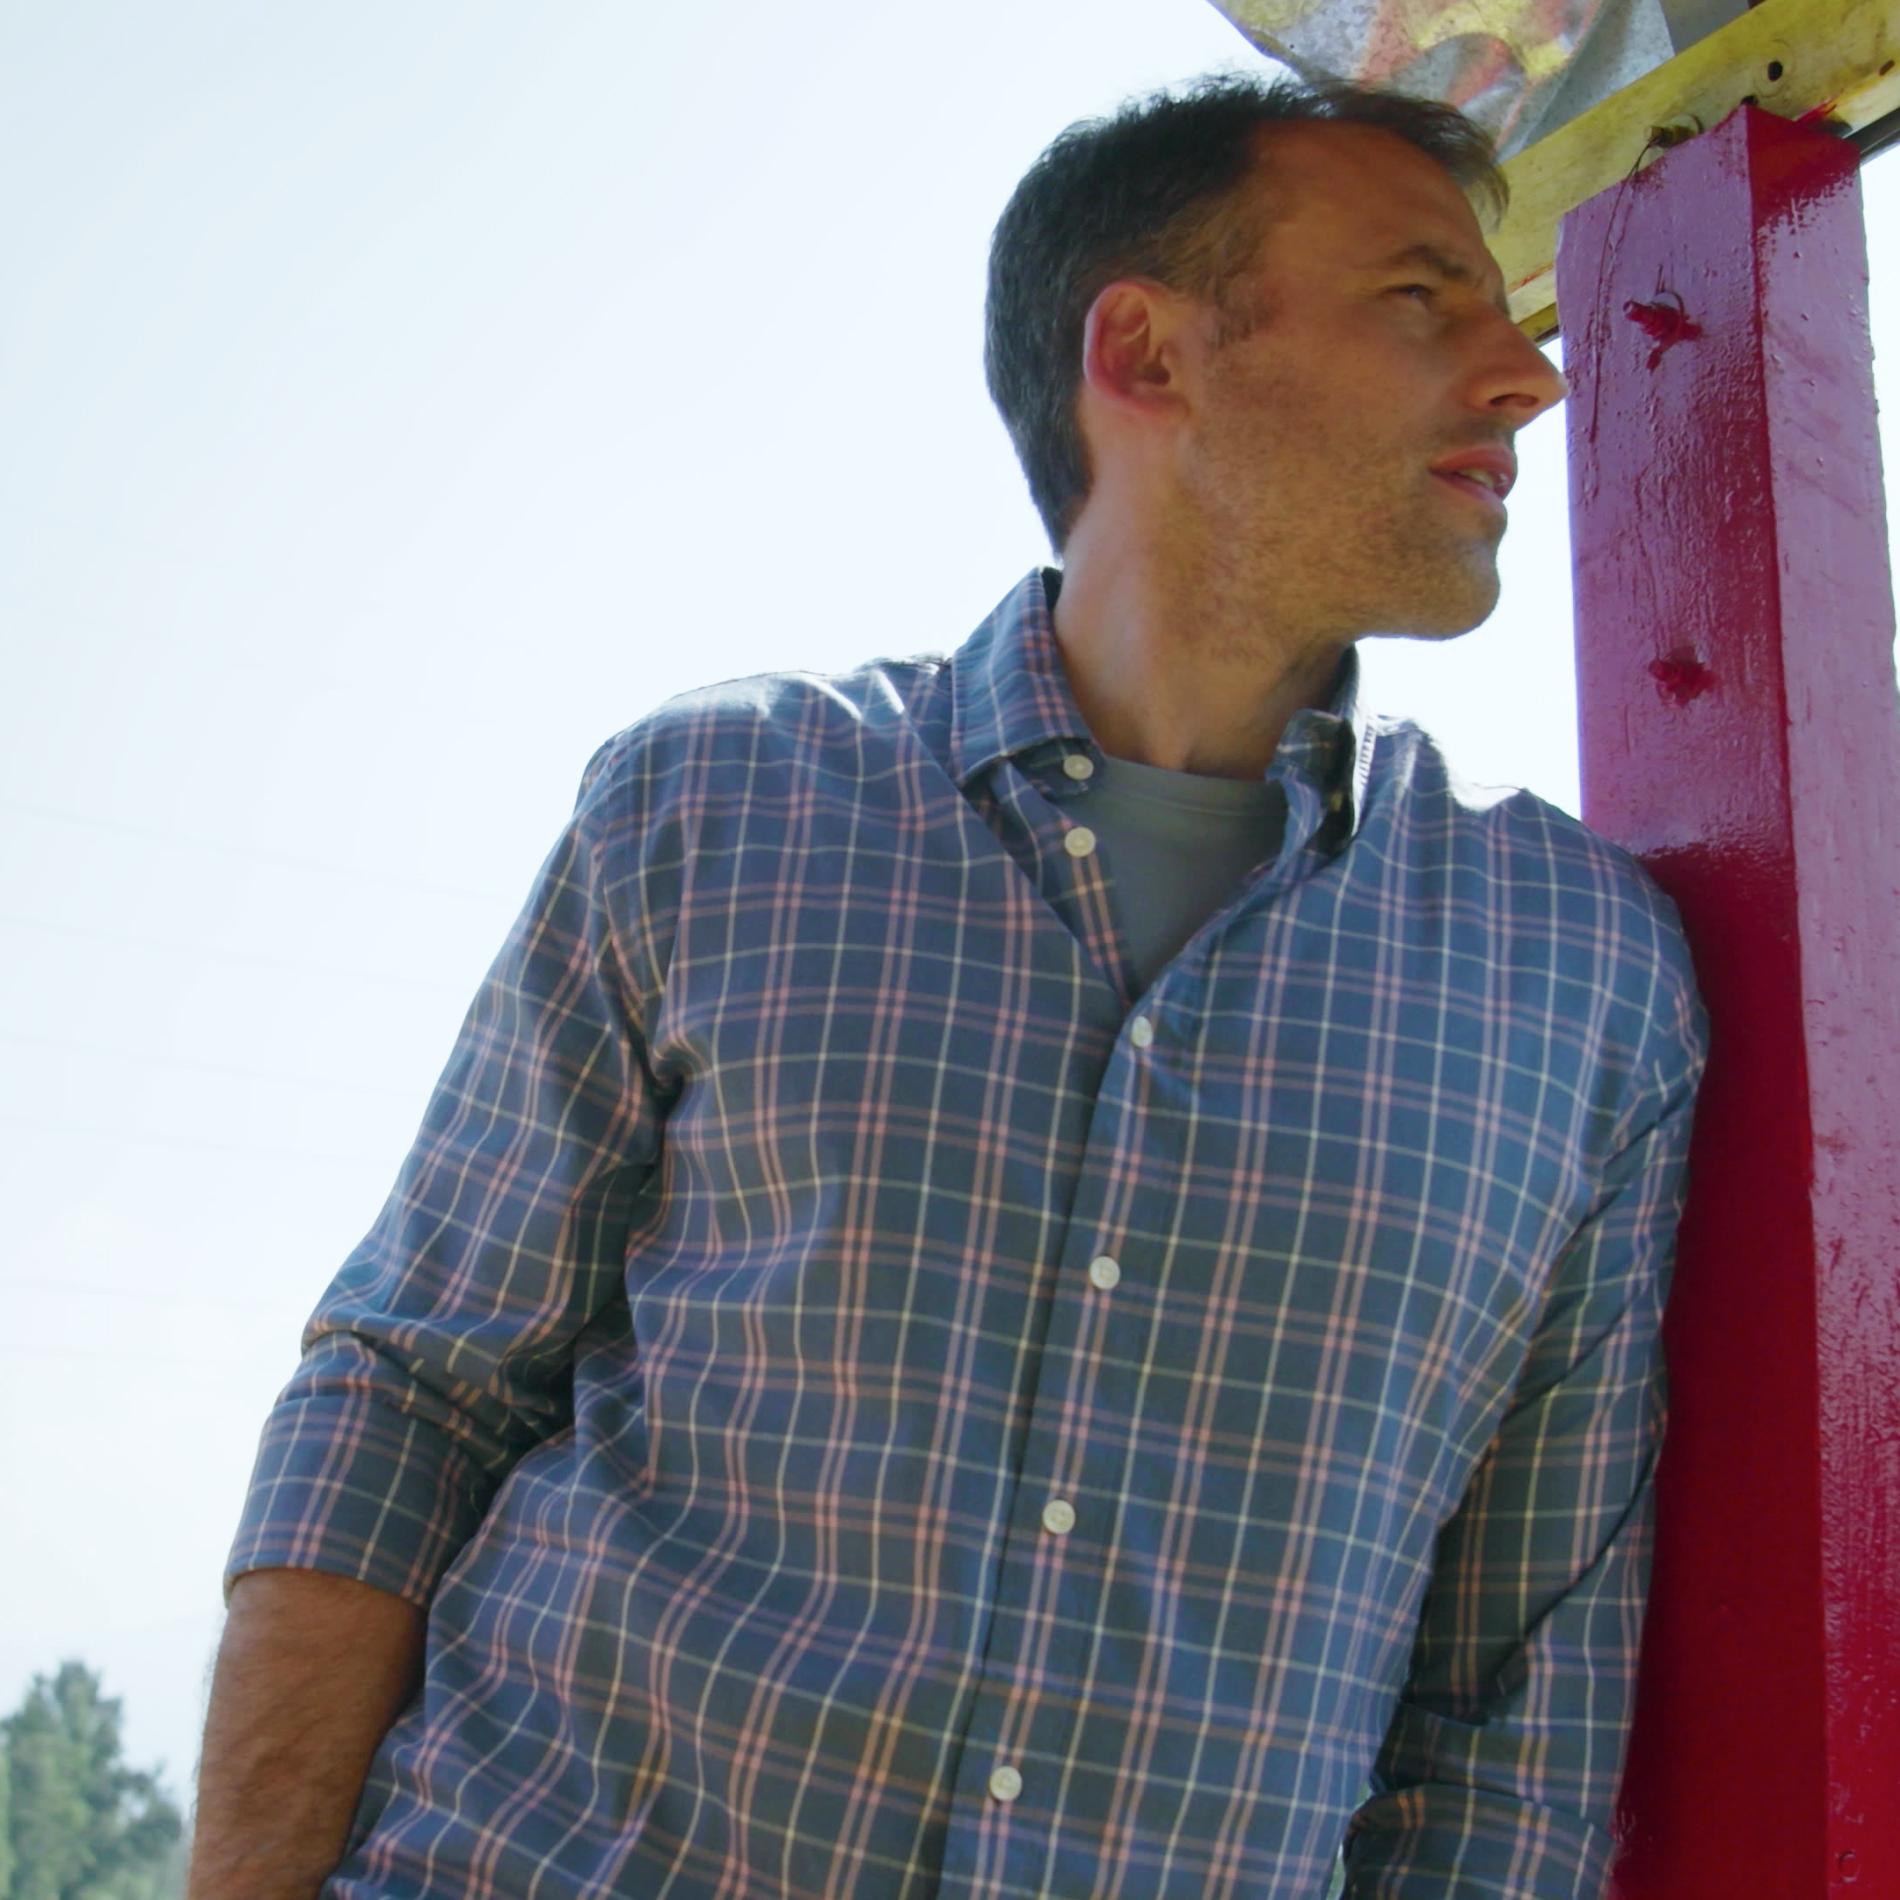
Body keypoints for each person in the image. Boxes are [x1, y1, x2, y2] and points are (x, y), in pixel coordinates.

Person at [190, 73, 1705, 1900]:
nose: (1523, 369)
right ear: (1145, 351)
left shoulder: (1588, 979)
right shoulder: (713, 804)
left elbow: (1510, 1718)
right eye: (1420, 300)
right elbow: (407, 1400)